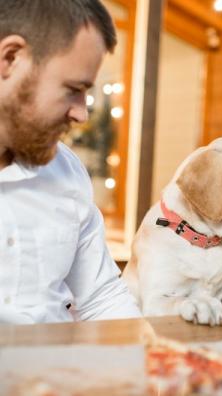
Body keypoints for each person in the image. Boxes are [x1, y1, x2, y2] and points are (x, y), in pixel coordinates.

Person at [0, 0, 141, 323]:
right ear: (10, 58)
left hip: (63, 369)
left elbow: (102, 298)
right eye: (73, 90)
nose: (82, 113)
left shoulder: (67, 171)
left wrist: (148, 363)